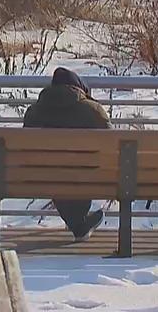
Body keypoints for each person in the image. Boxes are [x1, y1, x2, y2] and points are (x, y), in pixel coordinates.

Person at [22, 67, 109, 241]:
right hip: (86, 176)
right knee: (80, 168)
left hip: (42, 177)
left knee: (54, 170)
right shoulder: (92, 110)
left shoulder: (33, 112)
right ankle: (78, 224)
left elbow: (26, 151)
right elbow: (110, 148)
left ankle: (77, 223)